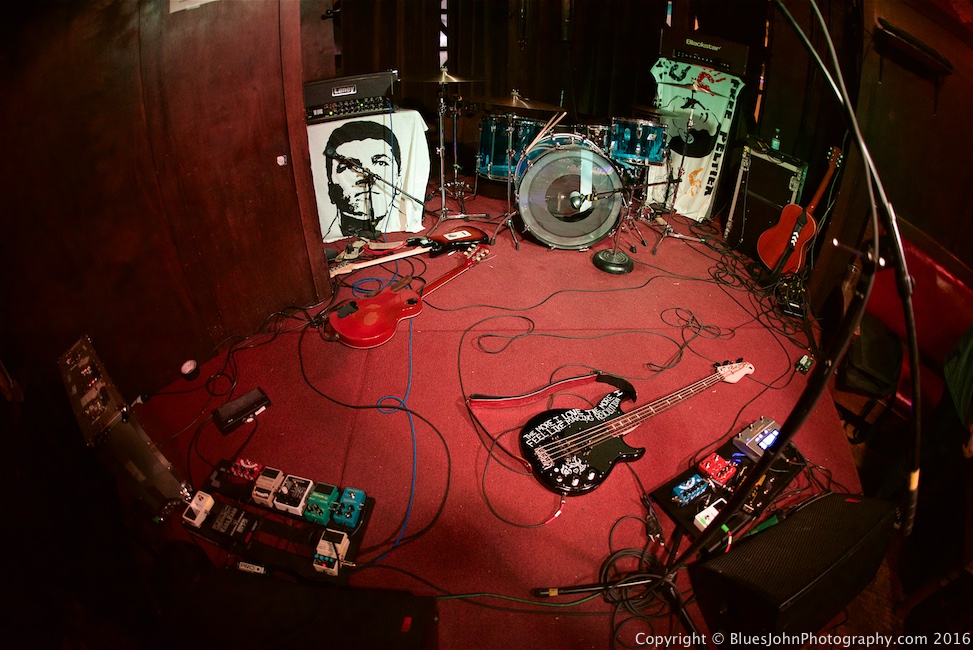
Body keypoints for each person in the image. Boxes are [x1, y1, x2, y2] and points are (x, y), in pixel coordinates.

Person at [324, 120, 402, 239]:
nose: (366, 176)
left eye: (381, 163)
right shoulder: (323, 236)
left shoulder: (406, 222)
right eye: (350, 166)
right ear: (331, 186)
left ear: (398, 181)